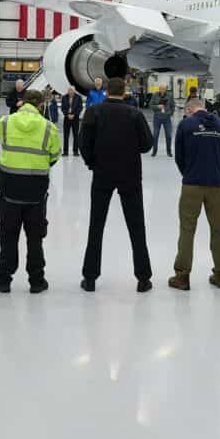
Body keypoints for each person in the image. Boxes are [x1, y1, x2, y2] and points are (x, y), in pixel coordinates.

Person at [78, 77, 154, 292]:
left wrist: (93, 163)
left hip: (102, 174)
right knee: (136, 226)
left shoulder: (94, 112)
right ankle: (143, 278)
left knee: (96, 226)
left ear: (107, 91)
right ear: (124, 91)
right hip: (130, 175)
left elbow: (84, 143)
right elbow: (147, 144)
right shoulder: (134, 114)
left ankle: (90, 277)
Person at [0, 89, 60, 294]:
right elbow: (54, 156)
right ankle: (36, 280)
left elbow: (4, 143)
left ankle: (4, 280)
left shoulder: (5, 122)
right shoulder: (49, 128)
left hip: (9, 190)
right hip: (36, 191)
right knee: (35, 238)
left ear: (22, 103)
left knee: (8, 236)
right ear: (41, 105)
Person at [168, 96, 220, 290]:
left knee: (187, 230)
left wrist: (189, 173)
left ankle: (182, 276)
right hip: (217, 185)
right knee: (219, 230)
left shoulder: (186, 126)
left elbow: (179, 156)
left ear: (188, 109)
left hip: (192, 184)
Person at [149, 87, 175, 157]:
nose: (162, 90)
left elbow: (173, 105)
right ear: (159, 89)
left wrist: (170, 113)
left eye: (164, 89)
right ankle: (154, 151)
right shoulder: (155, 95)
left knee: (169, 135)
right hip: (157, 117)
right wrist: (157, 106)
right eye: (161, 89)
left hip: (167, 118)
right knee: (155, 135)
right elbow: (150, 105)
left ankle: (169, 151)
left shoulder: (169, 95)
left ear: (166, 89)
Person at [60, 87, 83, 156]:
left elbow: (80, 107)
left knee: (75, 135)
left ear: (74, 91)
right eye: (69, 90)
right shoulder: (64, 97)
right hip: (67, 118)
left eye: (72, 90)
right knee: (66, 136)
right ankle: (65, 151)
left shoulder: (78, 97)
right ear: (68, 91)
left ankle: (75, 151)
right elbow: (63, 108)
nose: (70, 92)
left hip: (75, 118)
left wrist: (74, 114)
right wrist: (67, 114)